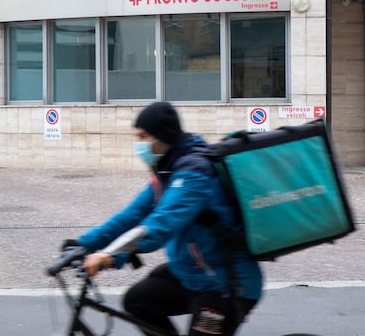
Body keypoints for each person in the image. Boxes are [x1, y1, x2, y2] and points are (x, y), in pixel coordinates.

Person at [68, 101, 262, 336]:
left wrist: (109, 256)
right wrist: (83, 243)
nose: (138, 144)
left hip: (225, 285)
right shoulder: (168, 172)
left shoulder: (195, 174)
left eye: (143, 137)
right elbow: (131, 216)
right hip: (191, 274)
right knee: (139, 301)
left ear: (163, 137)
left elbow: (161, 224)